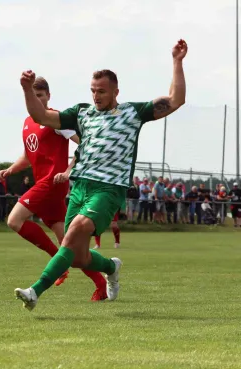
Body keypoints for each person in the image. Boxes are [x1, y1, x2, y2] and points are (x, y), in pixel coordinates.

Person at [14, 39, 188, 311]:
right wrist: (26, 89)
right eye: (93, 90)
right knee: (77, 257)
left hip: (108, 189)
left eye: (102, 91)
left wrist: (177, 62)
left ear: (116, 91)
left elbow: (176, 100)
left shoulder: (133, 112)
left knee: (72, 234)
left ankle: (34, 292)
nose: (96, 96)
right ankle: (110, 267)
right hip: (80, 188)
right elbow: (41, 116)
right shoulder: (81, 113)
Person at [0, 76, 107, 301]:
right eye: (33, 96)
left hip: (52, 184)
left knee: (13, 221)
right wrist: (10, 170)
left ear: (48, 96)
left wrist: (68, 171)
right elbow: (28, 156)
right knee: (73, 249)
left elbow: (85, 144)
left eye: (40, 96)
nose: (37, 99)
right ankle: (101, 284)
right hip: (44, 185)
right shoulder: (28, 123)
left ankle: (57, 260)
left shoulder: (57, 120)